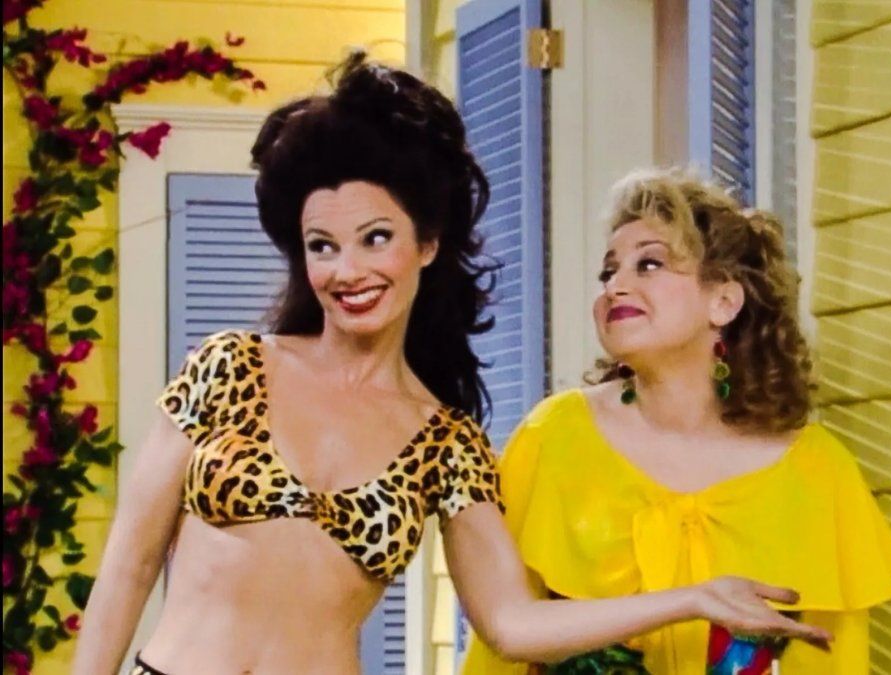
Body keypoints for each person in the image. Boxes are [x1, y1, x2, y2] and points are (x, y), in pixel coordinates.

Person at [72, 60, 831, 675]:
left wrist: (692, 599)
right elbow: (129, 566)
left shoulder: (446, 443)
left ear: (427, 244)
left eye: (375, 238)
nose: (346, 270)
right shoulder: (229, 366)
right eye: (321, 246)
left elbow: (512, 623)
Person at [463, 167, 891, 674]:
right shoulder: (552, 437)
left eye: (649, 264)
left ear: (724, 301)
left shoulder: (819, 471)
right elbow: (496, 652)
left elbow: (835, 662)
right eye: (608, 272)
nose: (615, 287)